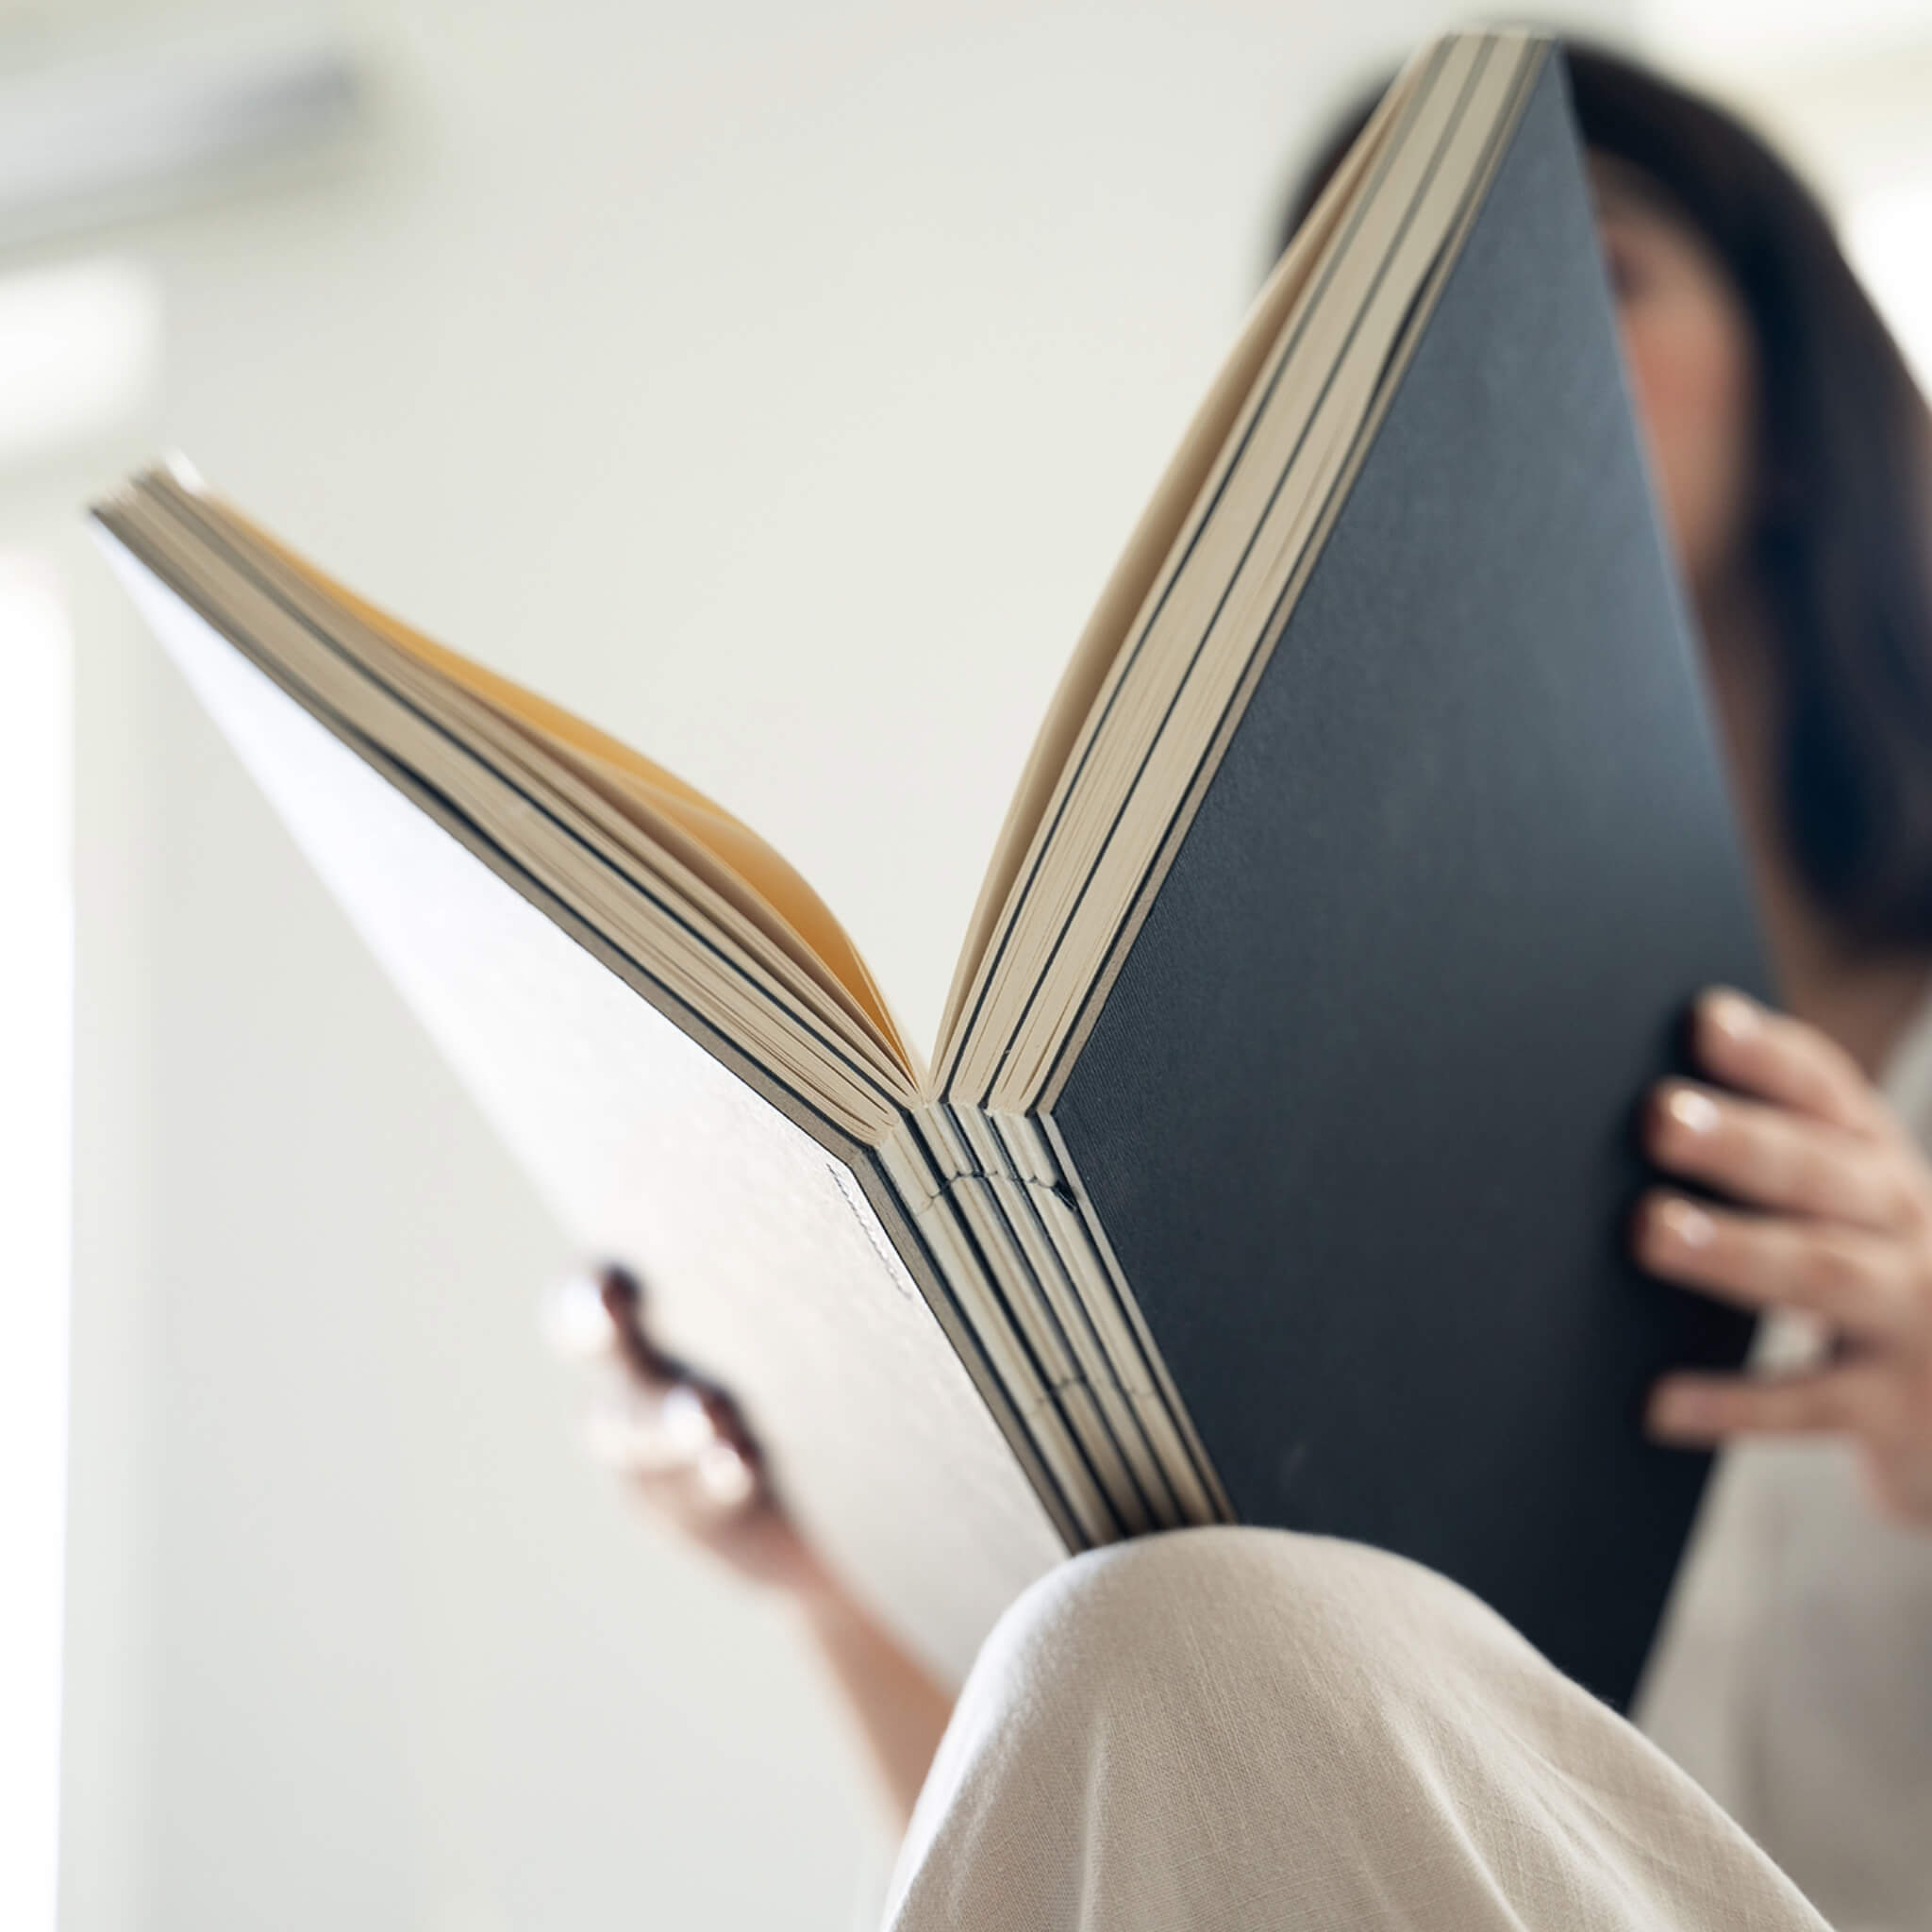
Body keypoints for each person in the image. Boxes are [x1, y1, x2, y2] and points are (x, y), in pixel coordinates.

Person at [549, 38, 1932, 1928]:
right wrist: (841, 1574)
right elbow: (1159, 1857)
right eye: (1367, 336)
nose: (1459, 365)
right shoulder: (1371, 1157)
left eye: (1582, 272)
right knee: (1149, 1636)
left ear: (1792, 392)